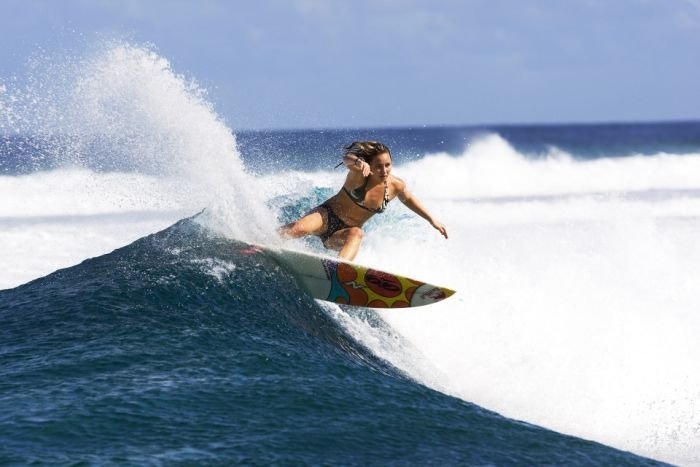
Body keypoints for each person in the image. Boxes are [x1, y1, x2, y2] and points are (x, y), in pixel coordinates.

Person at [278, 141, 448, 261]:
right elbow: (346, 159)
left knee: (357, 233)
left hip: (343, 234)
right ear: (369, 164)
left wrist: (432, 220)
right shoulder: (359, 173)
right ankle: (261, 241)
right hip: (326, 217)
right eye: (378, 166)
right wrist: (359, 162)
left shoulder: (395, 185)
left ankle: (339, 271)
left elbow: (408, 199)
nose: (384, 170)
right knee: (298, 229)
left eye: (387, 165)